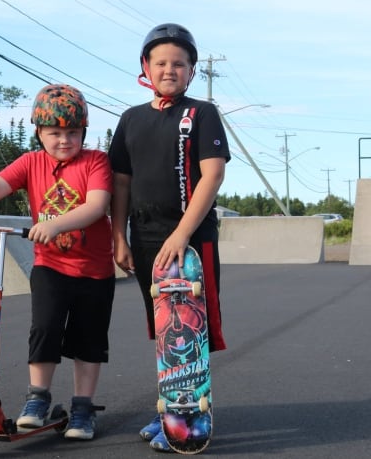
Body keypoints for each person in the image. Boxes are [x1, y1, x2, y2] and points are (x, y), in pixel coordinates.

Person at [0, 83, 114, 441]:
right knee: (44, 328)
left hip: (94, 270)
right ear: (39, 133)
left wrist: (53, 224)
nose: (64, 140)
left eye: (72, 133)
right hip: (51, 266)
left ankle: (82, 407)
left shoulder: (95, 162)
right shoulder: (31, 162)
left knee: (88, 339)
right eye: (55, 133)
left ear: (83, 132)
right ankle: (38, 398)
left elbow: (95, 206)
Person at [108, 23, 230, 452]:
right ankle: (173, 410)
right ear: (146, 66)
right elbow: (120, 183)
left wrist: (182, 234)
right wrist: (119, 237)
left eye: (179, 63)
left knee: (192, 329)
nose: (169, 69)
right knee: (166, 332)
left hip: (191, 238)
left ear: (192, 71)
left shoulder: (202, 113)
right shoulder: (131, 120)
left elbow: (212, 174)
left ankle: (194, 416)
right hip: (144, 237)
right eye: (160, 62)